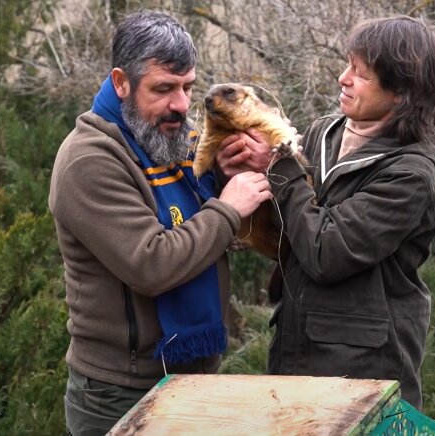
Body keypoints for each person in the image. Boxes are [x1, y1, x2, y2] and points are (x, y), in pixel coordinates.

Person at [48, 10, 272, 435]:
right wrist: (227, 208)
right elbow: (151, 265)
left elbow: (209, 228)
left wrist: (222, 175)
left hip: (194, 375)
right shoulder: (89, 161)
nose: (182, 105)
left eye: (188, 87)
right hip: (122, 392)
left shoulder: (168, 137)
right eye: (164, 89)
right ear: (121, 83)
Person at [217, 15, 435, 409]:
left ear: (400, 92)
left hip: (361, 372)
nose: (343, 78)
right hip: (295, 350)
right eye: (347, 65)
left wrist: (280, 167)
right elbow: (290, 229)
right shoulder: (324, 132)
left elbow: (327, 252)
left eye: (360, 74)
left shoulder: (410, 174)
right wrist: (250, 176)